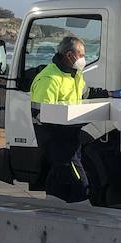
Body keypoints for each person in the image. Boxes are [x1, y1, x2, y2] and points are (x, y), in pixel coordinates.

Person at [30, 35, 108, 204]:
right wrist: (75, 122)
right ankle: (85, 217)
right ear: (69, 55)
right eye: (81, 54)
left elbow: (86, 93)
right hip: (56, 140)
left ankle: (52, 211)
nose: (83, 59)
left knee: (58, 182)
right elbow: (40, 114)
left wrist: (109, 94)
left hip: (71, 137)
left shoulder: (75, 75)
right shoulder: (49, 79)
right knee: (80, 182)